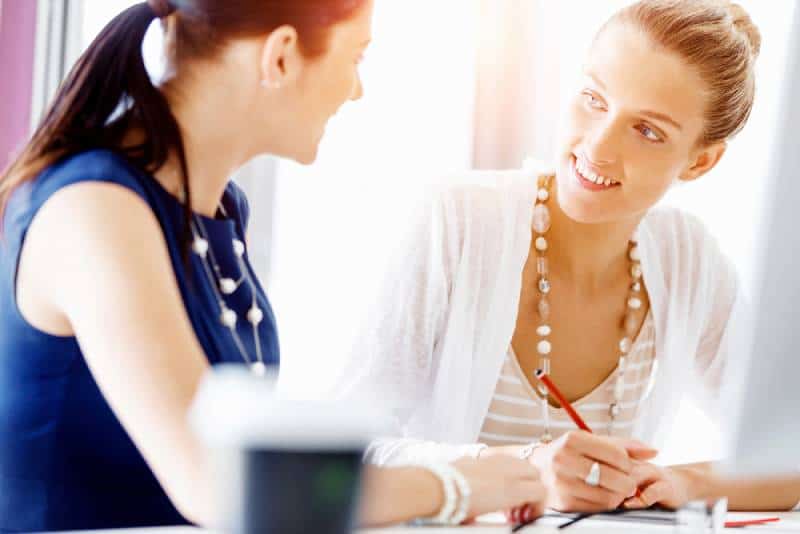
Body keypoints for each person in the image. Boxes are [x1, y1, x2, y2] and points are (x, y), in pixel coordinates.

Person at [0, 1, 546, 531]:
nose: (357, 91)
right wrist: (458, 483)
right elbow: (222, 486)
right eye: (355, 59)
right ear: (280, 55)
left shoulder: (222, 210)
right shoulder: (95, 209)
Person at [333, 0, 800, 514]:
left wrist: (682, 482)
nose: (597, 147)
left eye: (648, 130)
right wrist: (527, 469)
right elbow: (342, 455)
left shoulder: (689, 258)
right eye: (593, 99)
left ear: (701, 161)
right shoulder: (457, 220)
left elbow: (787, 449)